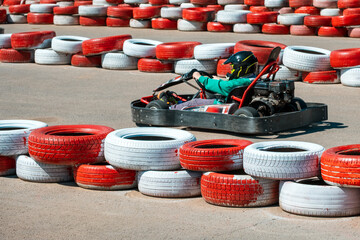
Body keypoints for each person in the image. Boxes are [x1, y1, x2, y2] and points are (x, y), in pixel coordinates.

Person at [157, 50, 258, 110]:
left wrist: (199, 77)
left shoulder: (241, 82)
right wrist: (217, 78)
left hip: (224, 104)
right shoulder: (251, 79)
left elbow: (225, 86)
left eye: (232, 67)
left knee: (195, 102)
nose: (232, 70)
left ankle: (170, 108)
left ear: (241, 67)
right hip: (234, 100)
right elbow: (231, 84)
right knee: (205, 94)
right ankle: (178, 102)